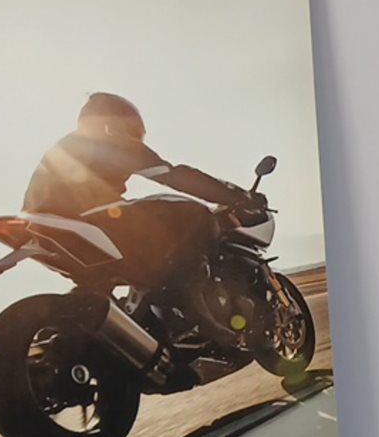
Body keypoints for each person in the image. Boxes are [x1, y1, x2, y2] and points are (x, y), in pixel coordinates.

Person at [23, 93, 251, 295]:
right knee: (196, 214)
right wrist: (236, 197)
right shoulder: (110, 140)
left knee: (103, 281)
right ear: (115, 122)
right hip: (87, 217)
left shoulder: (65, 147)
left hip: (41, 227)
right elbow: (174, 175)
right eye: (133, 131)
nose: (136, 139)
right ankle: (185, 296)